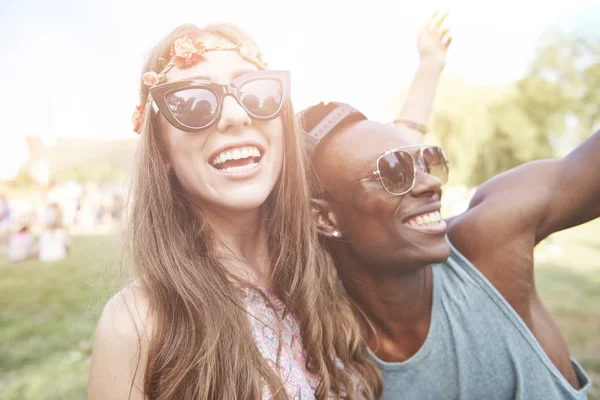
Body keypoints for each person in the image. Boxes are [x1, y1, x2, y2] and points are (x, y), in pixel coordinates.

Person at [88, 23, 381, 400]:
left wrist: (428, 68)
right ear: (161, 151)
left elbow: (392, 174)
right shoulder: (136, 323)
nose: (236, 116)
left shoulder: (330, 264)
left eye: (257, 93)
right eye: (193, 103)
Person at [299, 98, 596, 399]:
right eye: (393, 172)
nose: (430, 182)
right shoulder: (321, 356)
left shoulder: (489, 241)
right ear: (323, 217)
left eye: (426, 161)